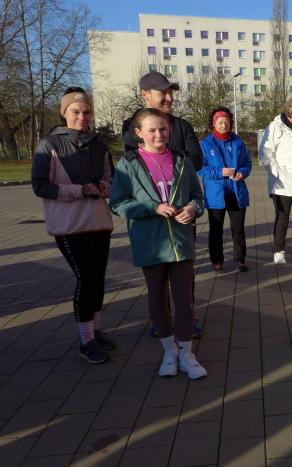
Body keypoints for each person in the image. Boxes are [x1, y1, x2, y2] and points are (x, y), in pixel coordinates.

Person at [110, 108, 208, 380]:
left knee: (184, 299)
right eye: (151, 130)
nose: (158, 134)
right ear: (138, 133)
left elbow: (197, 197)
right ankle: (169, 351)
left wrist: (192, 209)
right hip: (150, 243)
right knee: (157, 298)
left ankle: (187, 354)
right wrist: (152, 208)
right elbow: (117, 203)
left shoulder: (182, 160)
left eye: (163, 128)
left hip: (180, 242)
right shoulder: (128, 164)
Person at [31, 87, 116, 364]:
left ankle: (95, 331)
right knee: (87, 278)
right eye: (76, 112)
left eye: (87, 112)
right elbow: (40, 186)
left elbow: (110, 179)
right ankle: (85, 341)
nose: (82, 117)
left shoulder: (99, 145)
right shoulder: (49, 145)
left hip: (99, 223)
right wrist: (79, 190)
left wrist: (103, 187)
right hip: (69, 226)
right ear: (64, 113)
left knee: (98, 279)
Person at [122, 71, 204, 337]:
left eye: (171, 92)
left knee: (184, 276)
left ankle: (187, 318)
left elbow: (196, 159)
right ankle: (163, 322)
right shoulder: (132, 126)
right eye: (163, 92)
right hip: (151, 222)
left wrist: (177, 162)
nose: (169, 97)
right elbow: (136, 171)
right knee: (156, 283)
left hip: (181, 214)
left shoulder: (182, 125)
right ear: (145, 95)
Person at [199, 106, 252, 273]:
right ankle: (217, 261)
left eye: (227, 122)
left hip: (236, 192)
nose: (224, 125)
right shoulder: (205, 144)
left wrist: (242, 173)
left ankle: (240, 260)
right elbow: (200, 168)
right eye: (220, 122)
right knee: (216, 230)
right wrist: (219, 172)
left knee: (238, 230)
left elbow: (247, 163)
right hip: (215, 195)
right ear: (213, 124)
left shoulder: (238, 142)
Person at [262, 96, 292, 265]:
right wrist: (278, 174)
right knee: (282, 218)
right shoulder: (274, 127)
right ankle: (278, 251)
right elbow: (266, 154)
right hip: (281, 183)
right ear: (290, 113)